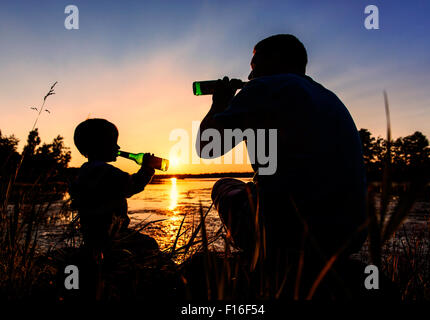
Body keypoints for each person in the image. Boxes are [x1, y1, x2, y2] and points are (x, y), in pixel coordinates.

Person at [197, 34, 367, 281]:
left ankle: (262, 258)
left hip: (289, 235)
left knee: (224, 185)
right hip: (347, 239)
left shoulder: (264, 87)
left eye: (254, 67)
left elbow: (207, 147)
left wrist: (220, 103)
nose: (250, 76)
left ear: (276, 59)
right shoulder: (330, 97)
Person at [70, 118, 158, 258]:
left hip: (92, 236)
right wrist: (147, 168)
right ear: (99, 145)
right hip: (112, 234)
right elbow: (133, 185)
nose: (118, 148)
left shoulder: (84, 171)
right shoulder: (106, 171)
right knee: (149, 244)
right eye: (113, 143)